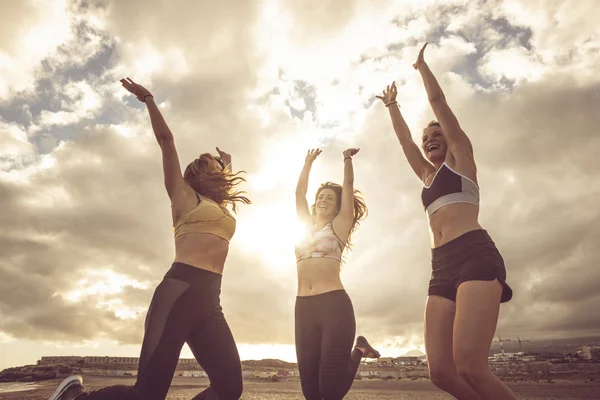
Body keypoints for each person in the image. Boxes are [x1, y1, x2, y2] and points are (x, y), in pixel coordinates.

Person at [49, 78, 250, 400]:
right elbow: (166, 140)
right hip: (177, 294)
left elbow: (224, 186)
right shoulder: (184, 197)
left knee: (229, 388)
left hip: (210, 302)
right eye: (211, 167)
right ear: (197, 174)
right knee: (148, 394)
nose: (219, 171)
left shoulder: (219, 207)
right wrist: (149, 99)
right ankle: (75, 397)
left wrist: (227, 163)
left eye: (218, 167)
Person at [376, 44, 516, 400]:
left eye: (437, 136)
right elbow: (405, 140)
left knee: (470, 366)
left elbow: (438, 102)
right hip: (441, 266)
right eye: (427, 139)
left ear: (450, 141)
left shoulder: (462, 159)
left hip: (474, 254)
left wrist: (421, 68)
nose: (429, 141)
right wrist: (392, 106)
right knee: (441, 372)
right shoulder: (426, 175)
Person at [294, 148, 381, 400]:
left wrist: (347, 158)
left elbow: (349, 185)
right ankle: (362, 347)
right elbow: (299, 193)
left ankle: (359, 350)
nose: (323, 199)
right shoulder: (303, 227)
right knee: (311, 393)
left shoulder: (339, 226)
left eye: (330, 198)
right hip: (303, 308)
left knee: (330, 391)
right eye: (320, 196)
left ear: (337, 207)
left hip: (333, 305)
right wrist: (307, 162)